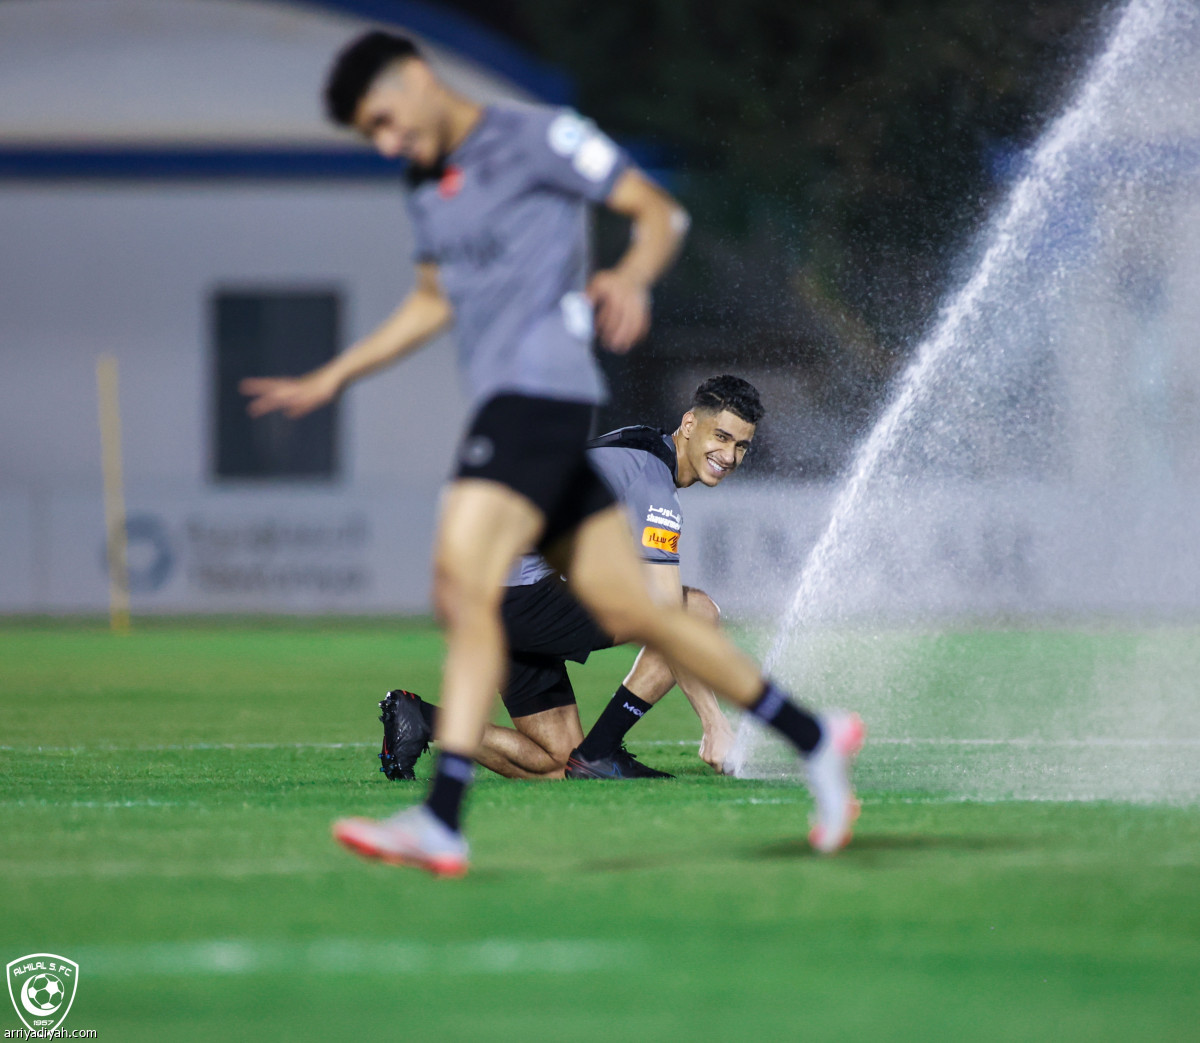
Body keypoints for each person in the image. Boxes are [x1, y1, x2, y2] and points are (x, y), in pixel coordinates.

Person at [242, 31, 864, 878]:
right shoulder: (434, 187)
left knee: (502, 591)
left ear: (418, 81)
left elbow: (657, 211)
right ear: (689, 426)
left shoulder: (537, 137)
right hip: (519, 423)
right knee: (581, 714)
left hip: (541, 399)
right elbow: (431, 301)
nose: (388, 145)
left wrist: (635, 274)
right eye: (372, 135)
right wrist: (338, 374)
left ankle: (443, 822)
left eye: (385, 121)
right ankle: (806, 734)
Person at [381, 375, 764, 783]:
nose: (729, 454)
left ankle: (420, 719)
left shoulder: (639, 444)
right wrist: (714, 723)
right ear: (690, 424)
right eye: (721, 436)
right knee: (696, 611)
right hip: (516, 595)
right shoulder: (653, 482)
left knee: (554, 763)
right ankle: (599, 754)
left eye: (741, 445)